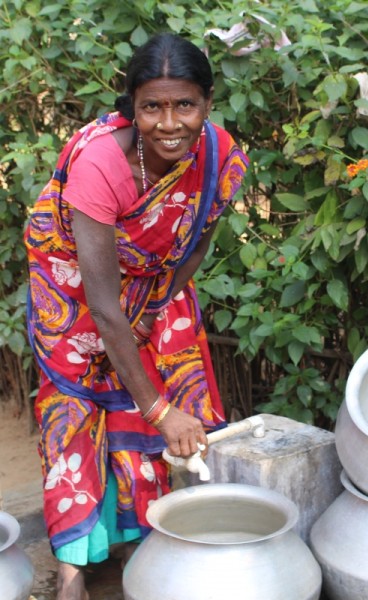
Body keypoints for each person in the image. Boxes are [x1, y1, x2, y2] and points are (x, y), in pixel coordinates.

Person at [24, 32, 248, 599]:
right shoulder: (100, 164)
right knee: (77, 414)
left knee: (163, 392)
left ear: (207, 103)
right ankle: (74, 567)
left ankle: (147, 543)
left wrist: (152, 307)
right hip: (75, 293)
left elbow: (194, 244)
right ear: (132, 106)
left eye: (184, 105)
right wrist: (159, 408)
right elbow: (101, 303)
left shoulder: (219, 156)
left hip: (154, 285)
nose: (169, 123)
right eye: (152, 106)